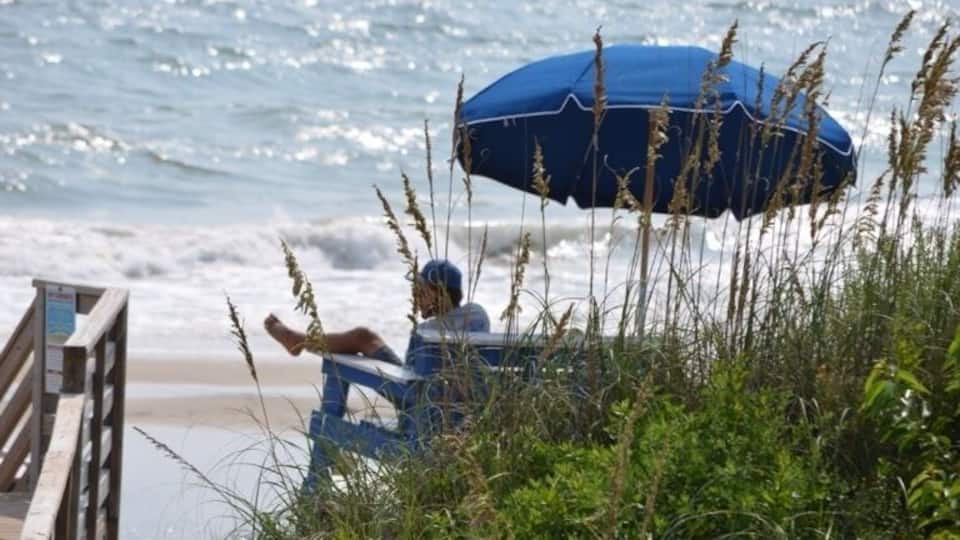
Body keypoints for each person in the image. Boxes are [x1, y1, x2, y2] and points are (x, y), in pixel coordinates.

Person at [264, 259, 489, 366]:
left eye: (421, 291)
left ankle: (298, 341)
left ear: (439, 292)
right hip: (469, 407)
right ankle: (298, 341)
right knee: (365, 338)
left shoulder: (427, 331)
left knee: (362, 337)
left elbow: (412, 374)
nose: (415, 296)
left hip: (418, 406)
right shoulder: (479, 316)